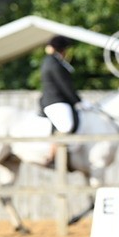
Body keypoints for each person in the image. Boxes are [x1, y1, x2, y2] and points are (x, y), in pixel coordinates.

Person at [39, 35, 81, 163]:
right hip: (56, 101)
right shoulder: (54, 63)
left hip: (55, 100)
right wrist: (77, 101)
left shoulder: (52, 61)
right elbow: (64, 85)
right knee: (65, 126)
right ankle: (53, 156)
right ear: (62, 49)